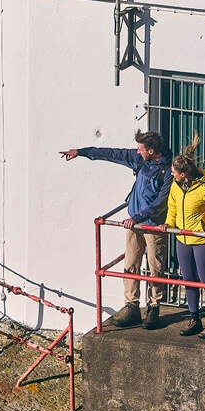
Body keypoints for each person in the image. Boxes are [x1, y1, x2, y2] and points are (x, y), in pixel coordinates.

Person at [61, 131, 171, 329]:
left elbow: (160, 203)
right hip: (134, 224)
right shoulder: (140, 160)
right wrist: (82, 152)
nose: (137, 152)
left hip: (152, 224)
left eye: (140, 149)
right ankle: (132, 306)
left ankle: (154, 307)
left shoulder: (167, 171)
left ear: (151, 150)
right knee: (131, 264)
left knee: (155, 266)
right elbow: (112, 153)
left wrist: (135, 218)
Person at [163, 150, 205, 339]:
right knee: (189, 280)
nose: (171, 173)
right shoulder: (175, 186)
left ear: (184, 174)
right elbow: (172, 207)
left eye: (174, 171)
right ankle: (194, 318)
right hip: (182, 239)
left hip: (201, 240)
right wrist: (169, 224)